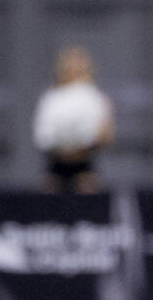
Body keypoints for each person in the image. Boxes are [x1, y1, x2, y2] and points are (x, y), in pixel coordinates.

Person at [31, 45, 115, 194]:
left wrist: (93, 138)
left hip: (84, 164)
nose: (72, 69)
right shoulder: (51, 98)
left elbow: (105, 135)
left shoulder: (95, 98)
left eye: (77, 65)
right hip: (55, 164)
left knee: (89, 200)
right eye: (68, 65)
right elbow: (42, 133)